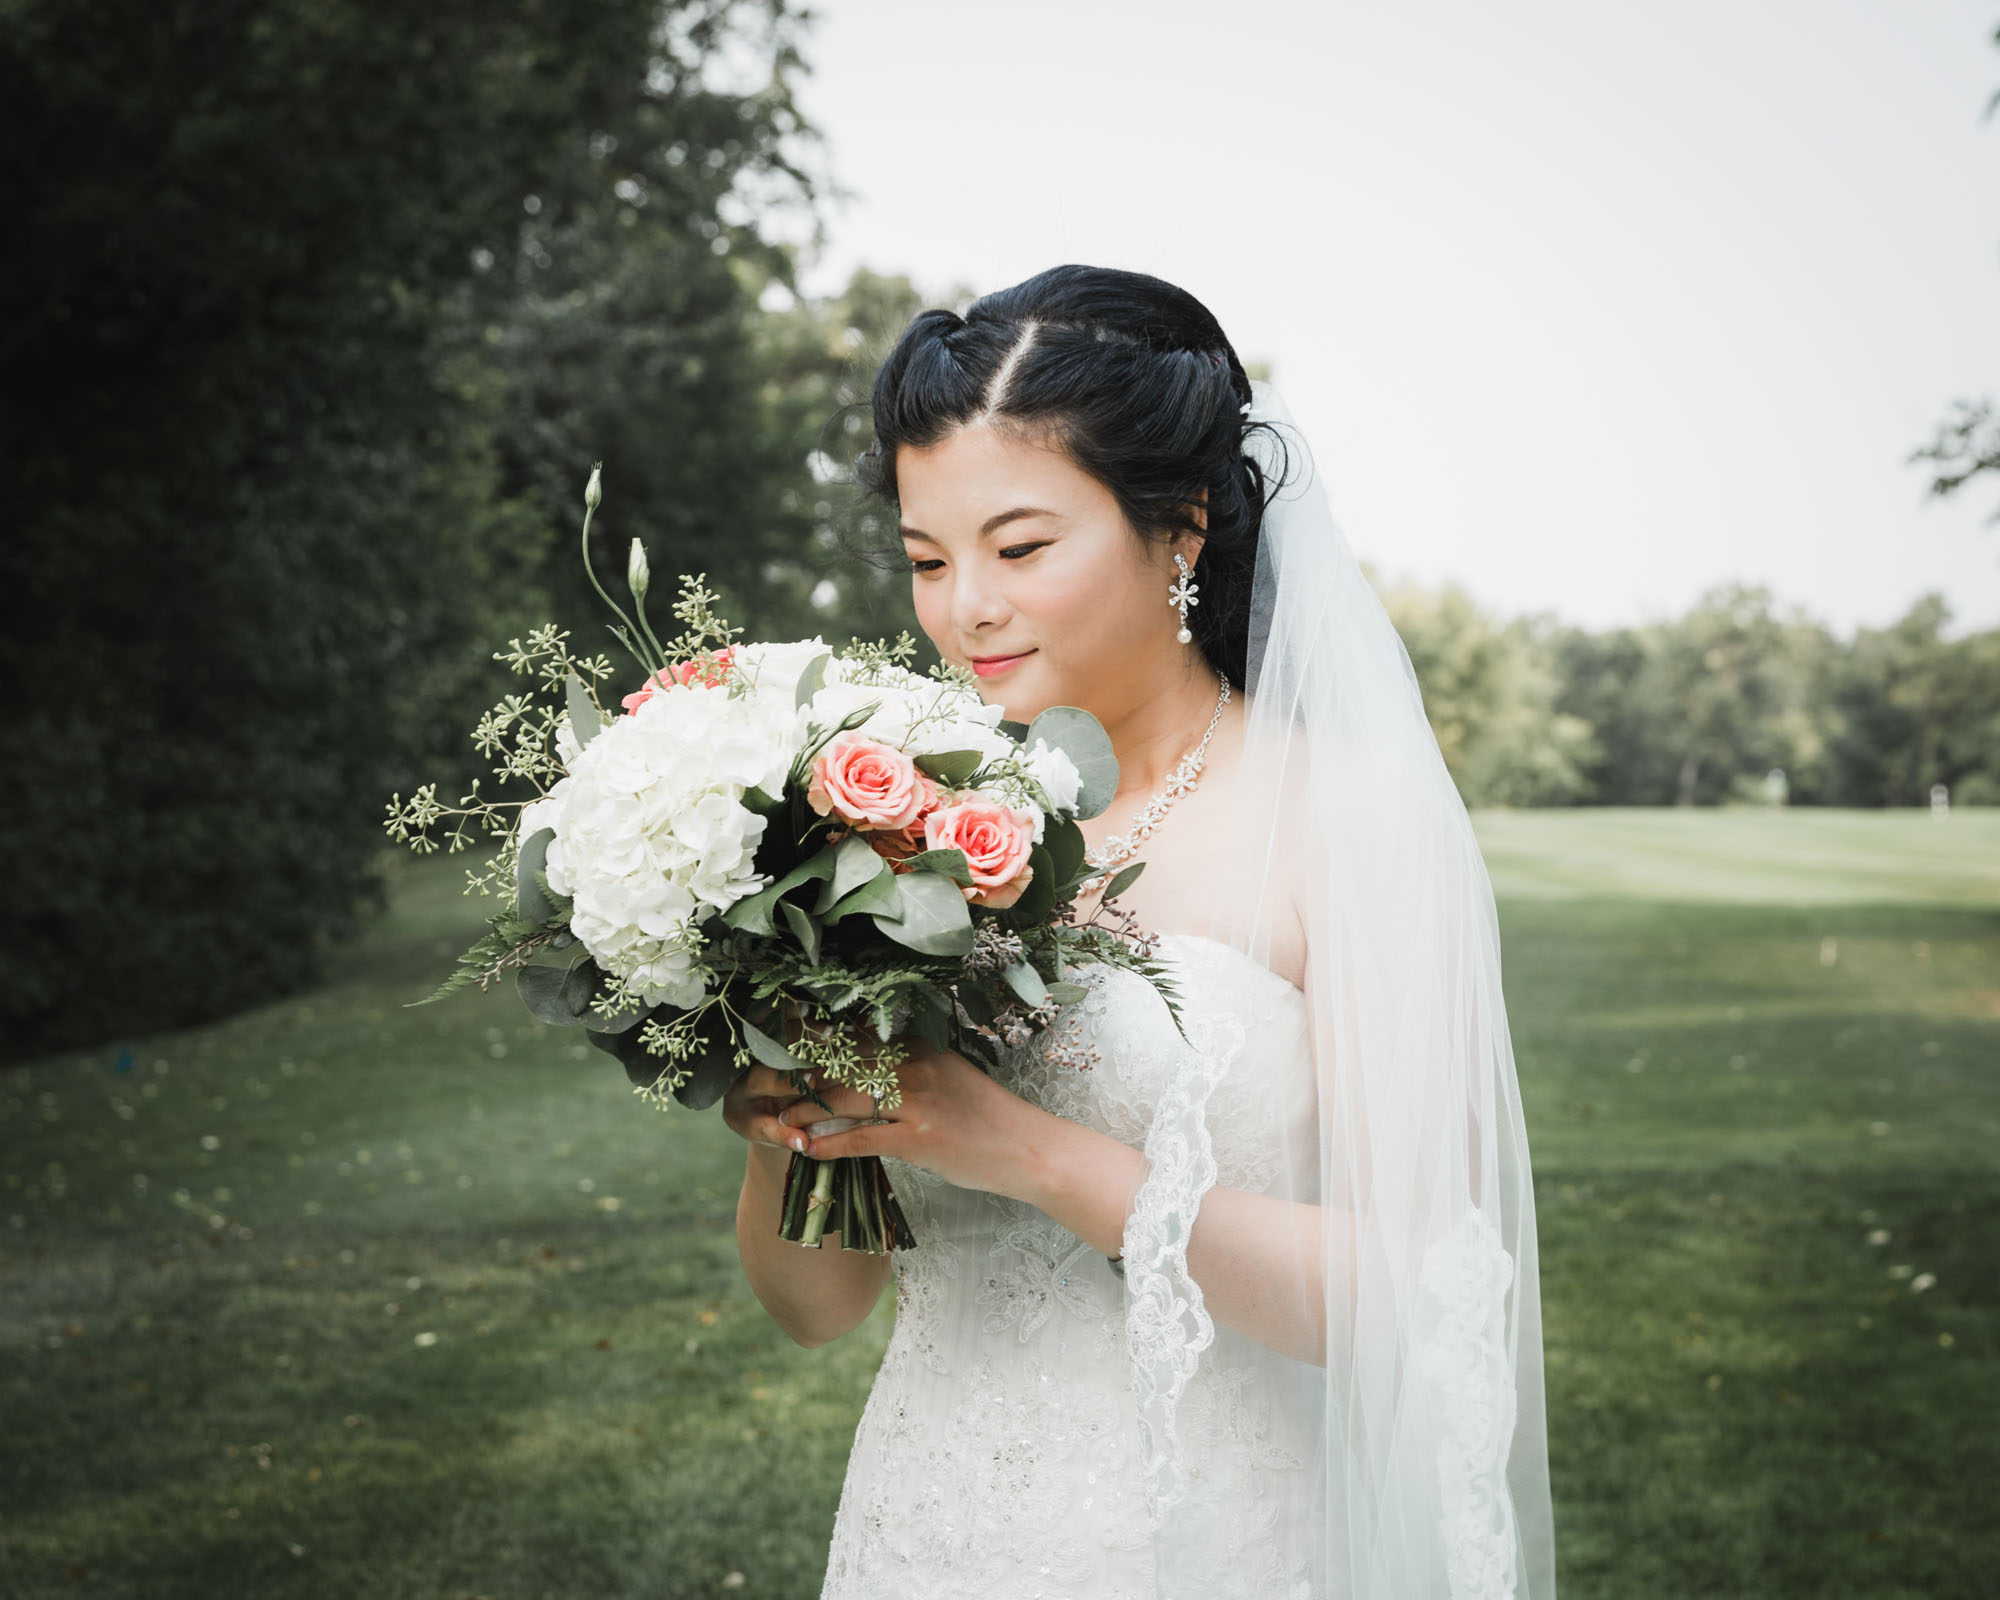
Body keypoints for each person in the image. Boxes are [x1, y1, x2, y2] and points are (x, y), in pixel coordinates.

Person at [722, 264, 1557, 1600]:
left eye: (1022, 546)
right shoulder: (903, 834)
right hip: (924, 1529)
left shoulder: (1344, 819)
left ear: (1182, 527)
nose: (965, 609)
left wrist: (1027, 1154)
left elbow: (1414, 1301)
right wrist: (787, 1125)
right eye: (928, 560)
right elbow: (814, 1309)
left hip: (1215, 1543)